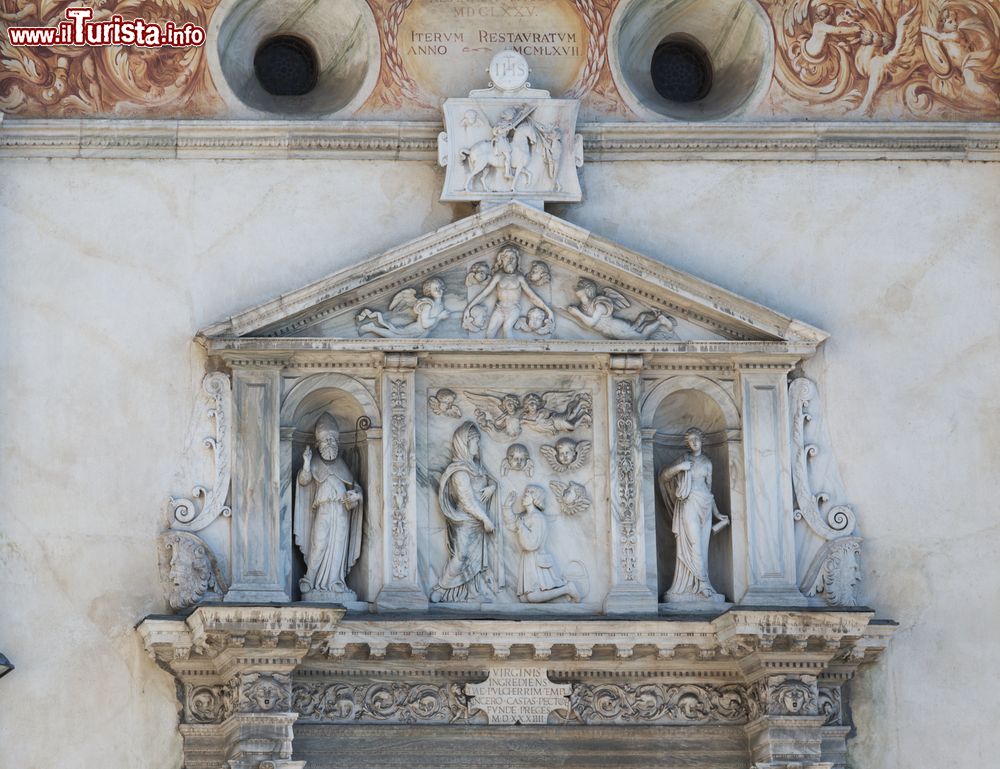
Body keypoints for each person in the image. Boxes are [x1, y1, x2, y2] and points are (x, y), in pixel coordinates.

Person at [294, 414, 363, 599]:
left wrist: (356, 494)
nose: (330, 443)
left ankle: (336, 581)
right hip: (323, 510)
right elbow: (303, 480)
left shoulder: (342, 464)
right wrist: (307, 463)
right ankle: (311, 579)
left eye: (333, 439)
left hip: (341, 511)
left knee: (339, 546)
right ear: (318, 444)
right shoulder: (315, 462)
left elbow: (355, 487)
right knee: (319, 543)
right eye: (326, 440)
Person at [658, 427, 728, 600]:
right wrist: (679, 467)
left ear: (702, 439)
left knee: (702, 548)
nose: (694, 442)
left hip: (704, 505)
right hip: (688, 504)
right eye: (691, 440)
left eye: (696, 438)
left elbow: (709, 491)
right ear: (687, 443)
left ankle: (701, 585)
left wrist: (718, 514)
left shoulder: (707, 463)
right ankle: (702, 584)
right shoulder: (684, 459)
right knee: (694, 542)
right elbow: (664, 477)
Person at [431, 422, 497, 603]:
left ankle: (473, 593)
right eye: (475, 442)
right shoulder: (459, 471)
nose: (478, 446)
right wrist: (486, 519)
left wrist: (492, 486)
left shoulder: (477, 467)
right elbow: (468, 502)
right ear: (464, 445)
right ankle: (441, 587)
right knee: (462, 557)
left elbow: (492, 481)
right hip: (466, 520)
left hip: (477, 521)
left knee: (475, 560)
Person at [503, 486, 580, 603]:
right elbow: (513, 524)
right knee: (524, 598)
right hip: (528, 559)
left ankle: (567, 589)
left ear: (535, 498)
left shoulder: (538, 518)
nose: (524, 496)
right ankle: (565, 591)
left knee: (533, 597)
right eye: (525, 493)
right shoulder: (525, 516)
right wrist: (507, 507)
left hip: (536, 560)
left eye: (528, 494)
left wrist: (521, 527)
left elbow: (532, 544)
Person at [463, 246, 554, 338]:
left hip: (513, 309)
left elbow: (532, 296)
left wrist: (548, 310)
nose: (510, 261)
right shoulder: (498, 276)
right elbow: (484, 294)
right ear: (502, 260)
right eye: (507, 257)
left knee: (507, 328)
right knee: (490, 333)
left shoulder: (519, 277)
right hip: (500, 308)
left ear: (517, 261)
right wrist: (468, 307)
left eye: (513, 258)